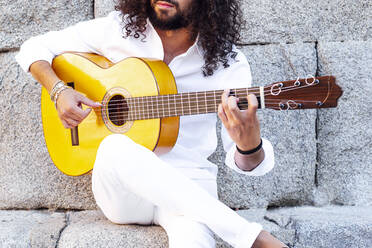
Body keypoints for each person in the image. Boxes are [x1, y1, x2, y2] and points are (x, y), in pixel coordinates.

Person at [16, 0, 288, 247]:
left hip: (190, 186)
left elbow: (247, 164)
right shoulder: (118, 30)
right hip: (124, 194)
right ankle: (254, 239)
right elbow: (33, 48)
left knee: (195, 241)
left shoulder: (228, 62)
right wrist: (58, 90)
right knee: (114, 147)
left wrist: (249, 145)